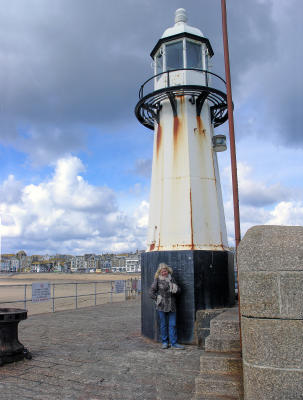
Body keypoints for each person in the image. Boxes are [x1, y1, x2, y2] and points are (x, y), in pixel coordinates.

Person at [150, 263, 185, 350]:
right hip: (161, 306)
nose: (164, 273)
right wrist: (157, 298)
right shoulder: (157, 280)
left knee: (172, 325)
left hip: (172, 306)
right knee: (163, 325)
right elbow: (151, 292)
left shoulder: (172, 279)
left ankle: (174, 343)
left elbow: (179, 291)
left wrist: (176, 289)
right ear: (159, 272)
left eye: (165, 271)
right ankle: (165, 342)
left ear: (168, 271)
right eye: (162, 271)